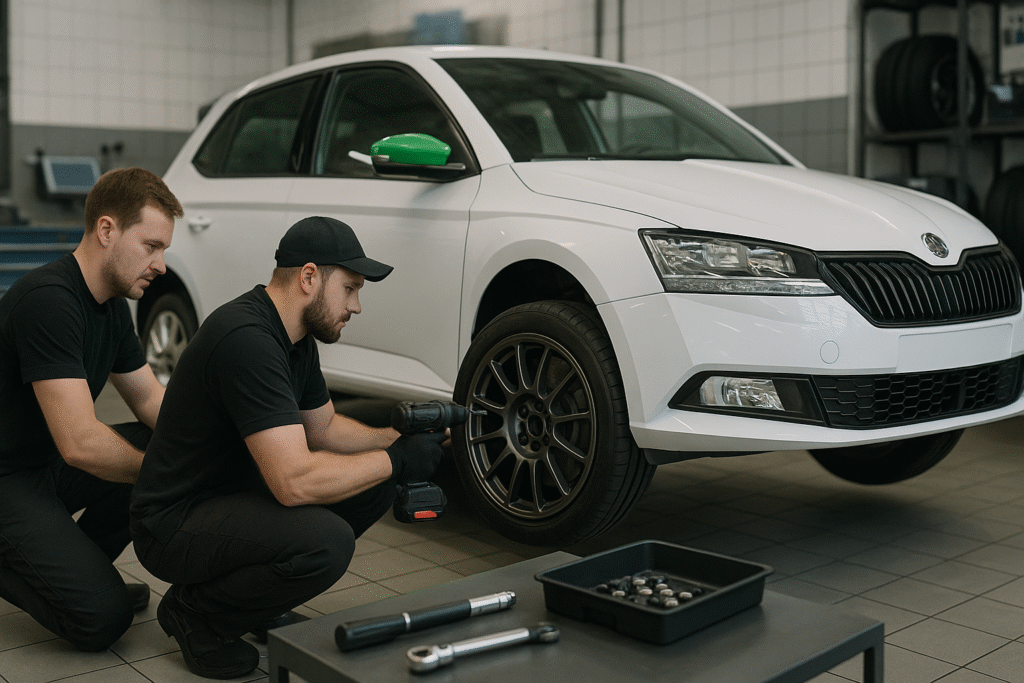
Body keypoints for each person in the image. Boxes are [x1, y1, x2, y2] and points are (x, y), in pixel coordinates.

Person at [130, 216, 445, 679]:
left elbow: (324, 430)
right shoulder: (248, 340)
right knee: (326, 542)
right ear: (310, 277)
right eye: (351, 288)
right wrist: (394, 460)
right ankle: (197, 613)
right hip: (173, 522)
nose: (356, 306)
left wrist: (396, 441)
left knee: (374, 480)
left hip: (228, 498)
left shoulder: (295, 337)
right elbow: (294, 482)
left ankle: (251, 602)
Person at [0, 167, 182, 650]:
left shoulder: (111, 306)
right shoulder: (50, 301)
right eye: (151, 246)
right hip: (7, 477)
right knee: (101, 619)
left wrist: (203, 447)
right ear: (107, 230)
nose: (161, 264)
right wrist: (167, 476)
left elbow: (148, 398)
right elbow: (81, 443)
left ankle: (79, 571)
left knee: (156, 445)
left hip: (44, 467)